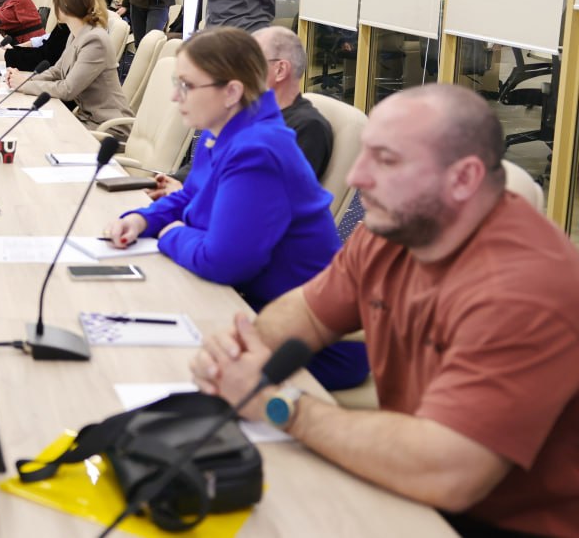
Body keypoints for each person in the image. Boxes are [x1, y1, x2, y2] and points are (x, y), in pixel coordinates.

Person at [188, 84, 579, 537]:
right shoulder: (396, 229)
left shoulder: (525, 289)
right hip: (408, 483)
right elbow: (308, 314)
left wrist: (280, 406)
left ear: (464, 179)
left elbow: (450, 473)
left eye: (386, 160)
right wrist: (241, 350)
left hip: (491, 519)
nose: (357, 177)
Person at [104, 27, 366, 391]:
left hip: (308, 345)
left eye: (186, 85)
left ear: (231, 92)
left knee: (138, 363)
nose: (175, 96)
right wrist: (141, 219)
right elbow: (190, 197)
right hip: (245, 308)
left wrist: (171, 234)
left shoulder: (258, 151)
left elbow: (224, 261)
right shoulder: (222, 132)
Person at [145, 25, 333, 200]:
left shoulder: (308, 128)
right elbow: (203, 168)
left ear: (280, 70)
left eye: (250, 63)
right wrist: (170, 184)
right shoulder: (244, 112)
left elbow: (266, 201)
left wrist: (182, 195)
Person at [7, 0, 132, 137]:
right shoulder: (76, 34)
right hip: (87, 119)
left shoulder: (95, 40)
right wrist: (24, 79)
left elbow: (68, 89)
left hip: (107, 127)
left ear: (66, 5)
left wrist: (25, 85)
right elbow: (57, 72)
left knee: (38, 133)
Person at [5, 0, 107, 72]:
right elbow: (50, 55)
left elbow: (49, 59)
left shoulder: (80, 25)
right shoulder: (76, 19)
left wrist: (7, 55)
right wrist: (10, 52)